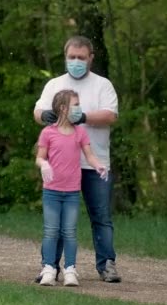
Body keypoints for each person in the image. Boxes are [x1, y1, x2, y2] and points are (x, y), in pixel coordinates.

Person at [33, 35, 121, 283]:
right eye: (71, 57)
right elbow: (37, 112)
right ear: (65, 57)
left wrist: (82, 117)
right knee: (58, 222)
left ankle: (107, 265)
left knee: (101, 216)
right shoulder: (54, 85)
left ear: (90, 58)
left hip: (95, 163)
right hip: (62, 166)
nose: (76, 61)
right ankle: (49, 266)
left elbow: (110, 115)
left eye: (81, 57)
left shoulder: (103, 85)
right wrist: (47, 115)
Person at [36, 89, 107, 286]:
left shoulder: (80, 133)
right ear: (63, 108)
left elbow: (90, 155)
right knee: (51, 231)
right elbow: (40, 157)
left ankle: (70, 269)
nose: (79, 109)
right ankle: (49, 268)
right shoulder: (47, 133)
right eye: (75, 105)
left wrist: (98, 165)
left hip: (72, 193)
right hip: (51, 192)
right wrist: (44, 165)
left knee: (69, 232)